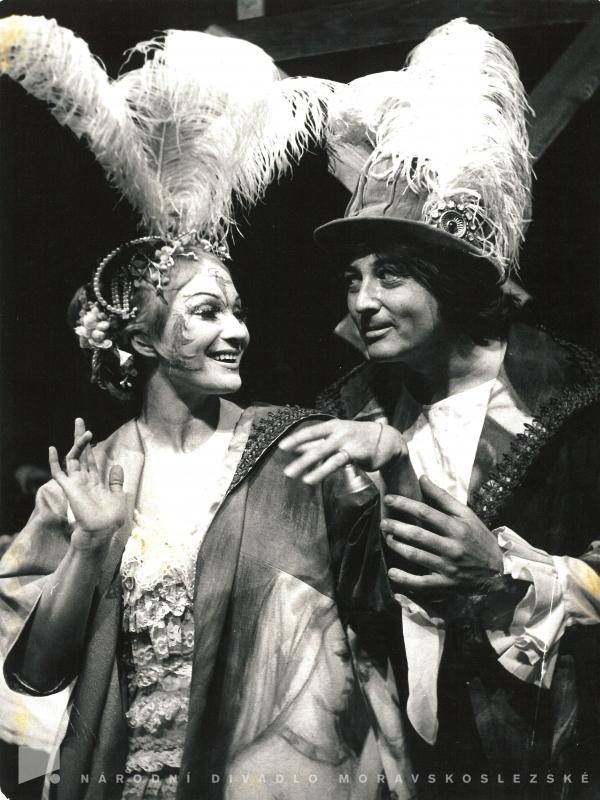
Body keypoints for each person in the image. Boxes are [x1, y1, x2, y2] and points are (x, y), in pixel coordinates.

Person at [0, 18, 415, 800]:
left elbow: (385, 604)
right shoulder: (90, 478)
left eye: (238, 311)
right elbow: (34, 674)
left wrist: (393, 467)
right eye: (206, 312)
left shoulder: (296, 449)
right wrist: (92, 545)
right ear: (143, 338)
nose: (237, 332)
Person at [280, 19, 600, 799]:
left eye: (390, 276)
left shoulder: (573, 402)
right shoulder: (350, 413)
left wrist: (510, 576)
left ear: (450, 282)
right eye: (353, 279)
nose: (362, 301)